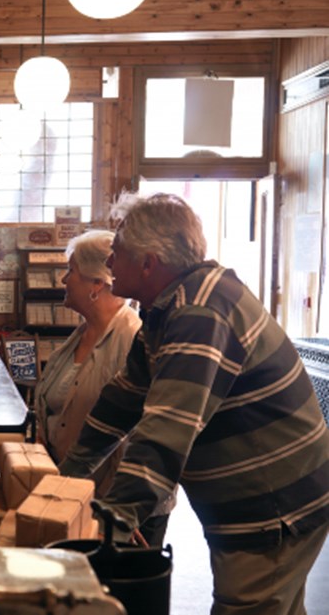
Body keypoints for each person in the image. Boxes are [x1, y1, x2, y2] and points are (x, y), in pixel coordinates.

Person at [59, 193, 329, 615]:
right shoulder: (166, 308)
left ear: (149, 263)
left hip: (273, 507)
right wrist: (68, 477)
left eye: (119, 254)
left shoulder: (200, 312)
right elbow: (124, 399)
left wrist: (115, 519)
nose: (110, 266)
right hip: (260, 499)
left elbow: (166, 430)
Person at [33, 230, 170, 547]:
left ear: (96, 283)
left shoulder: (135, 338)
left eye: (71, 271)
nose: (64, 280)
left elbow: (154, 434)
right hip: (75, 493)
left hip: (118, 511)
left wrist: (126, 511)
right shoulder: (79, 336)